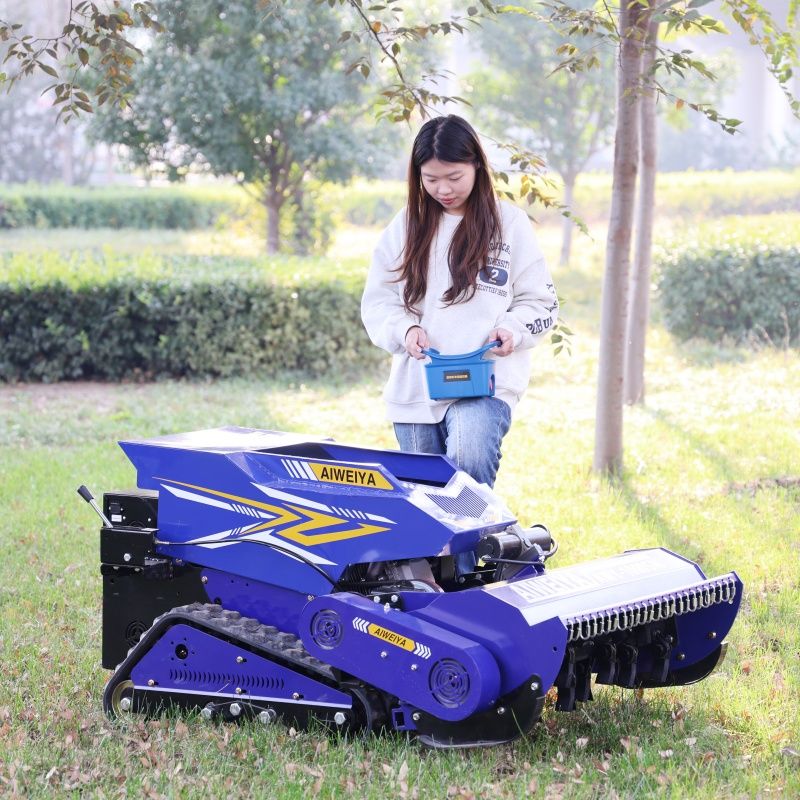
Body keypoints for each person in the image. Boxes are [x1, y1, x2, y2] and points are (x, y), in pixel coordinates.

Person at [361, 114, 558, 489]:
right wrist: (406, 330)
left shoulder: (509, 224)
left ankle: (477, 528)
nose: (443, 189)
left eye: (454, 177)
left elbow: (542, 303)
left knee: (469, 468)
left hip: (485, 381)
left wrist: (513, 330)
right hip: (417, 387)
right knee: (425, 495)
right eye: (431, 179)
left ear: (477, 166)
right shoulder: (406, 226)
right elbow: (378, 301)